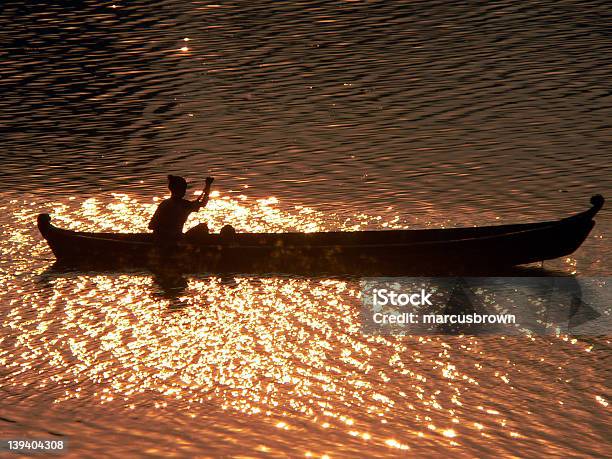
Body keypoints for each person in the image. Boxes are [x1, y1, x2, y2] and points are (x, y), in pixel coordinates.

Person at [148, 175, 214, 241]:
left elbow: (151, 225)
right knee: (202, 227)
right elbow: (203, 203)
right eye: (184, 189)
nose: (185, 191)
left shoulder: (164, 203)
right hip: (175, 239)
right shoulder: (184, 204)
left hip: (161, 238)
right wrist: (208, 186)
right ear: (180, 190)